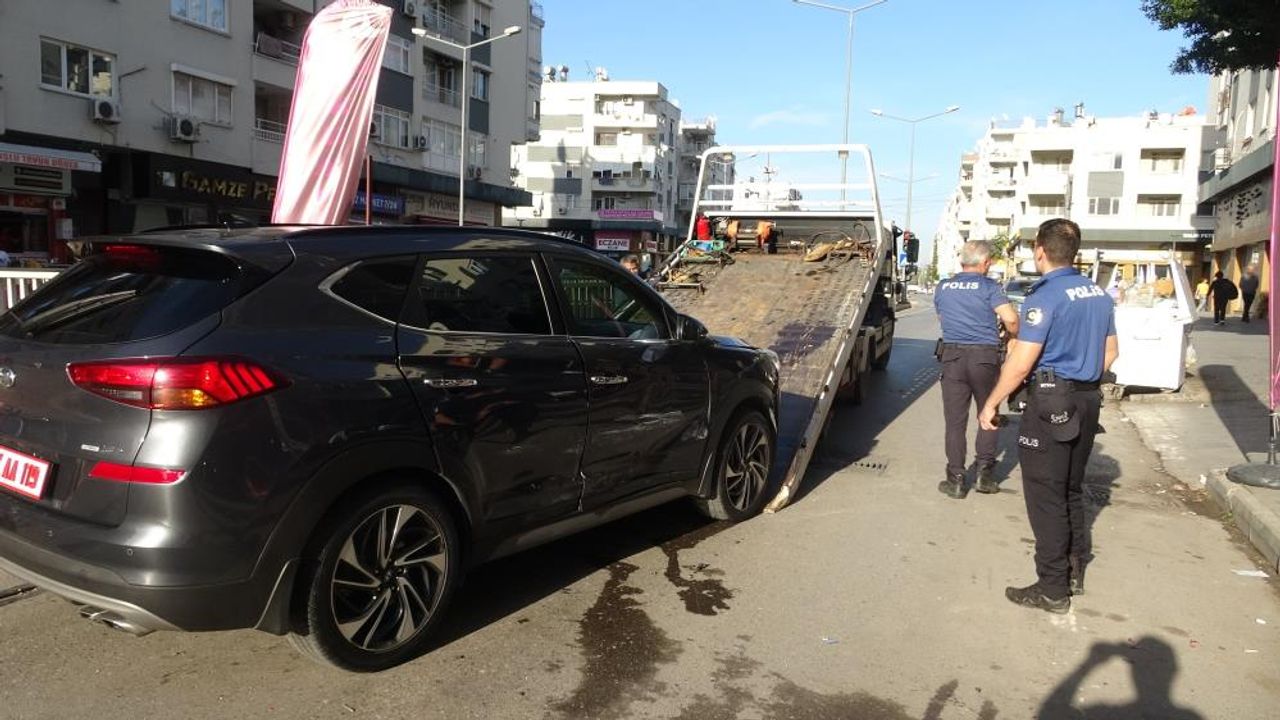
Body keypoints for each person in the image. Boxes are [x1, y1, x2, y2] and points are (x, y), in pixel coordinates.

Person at [979, 218, 1118, 614]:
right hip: (1087, 400)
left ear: (1040, 250)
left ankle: (1052, 587)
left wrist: (992, 403)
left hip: (1051, 401)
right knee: (1071, 489)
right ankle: (1074, 572)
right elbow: (1111, 352)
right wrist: (1081, 376)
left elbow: (1021, 363)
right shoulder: (1098, 294)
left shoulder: (1046, 297)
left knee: (1045, 496)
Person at [933, 240, 1020, 498]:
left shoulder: (943, 287)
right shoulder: (989, 286)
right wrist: (1012, 335)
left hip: (952, 356)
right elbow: (1011, 319)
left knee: (955, 422)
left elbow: (942, 318)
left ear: (962, 262)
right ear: (985, 263)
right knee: (988, 413)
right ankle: (984, 475)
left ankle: (957, 479)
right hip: (984, 357)